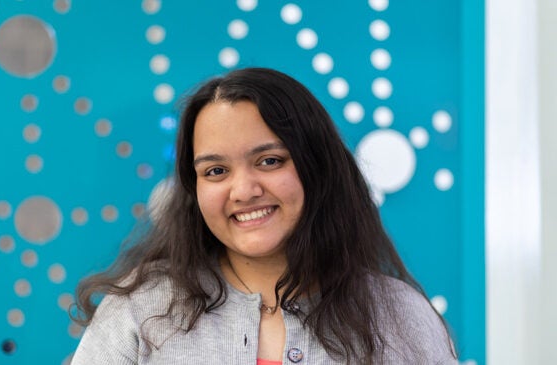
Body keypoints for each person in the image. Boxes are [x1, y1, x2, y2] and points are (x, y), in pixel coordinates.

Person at [70, 67, 458, 364]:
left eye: (269, 161)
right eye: (215, 171)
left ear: (316, 167)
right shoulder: (140, 309)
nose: (244, 190)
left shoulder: (401, 317)